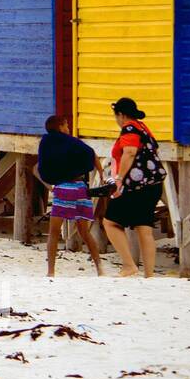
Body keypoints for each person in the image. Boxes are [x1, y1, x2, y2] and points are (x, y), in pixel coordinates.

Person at [102, 97, 167, 278]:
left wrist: (119, 178)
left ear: (121, 115)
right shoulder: (142, 127)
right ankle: (149, 274)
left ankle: (129, 265)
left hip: (137, 186)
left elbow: (129, 152)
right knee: (144, 228)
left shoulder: (129, 128)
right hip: (154, 184)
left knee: (110, 222)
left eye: (116, 116)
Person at [34, 114, 105, 277]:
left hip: (64, 189)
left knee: (53, 232)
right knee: (85, 233)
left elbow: (39, 168)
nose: (68, 129)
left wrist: (50, 186)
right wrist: (100, 172)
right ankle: (100, 269)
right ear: (59, 127)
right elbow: (91, 153)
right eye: (66, 126)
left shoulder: (46, 143)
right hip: (80, 188)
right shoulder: (74, 143)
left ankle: (51, 271)